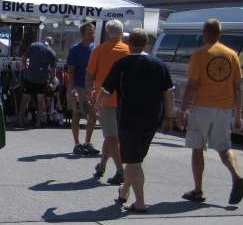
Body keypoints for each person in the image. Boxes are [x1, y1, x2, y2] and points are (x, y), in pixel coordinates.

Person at [98, 28, 174, 213]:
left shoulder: (122, 64)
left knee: (132, 161)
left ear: (129, 43)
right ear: (146, 43)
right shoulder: (159, 64)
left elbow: (106, 90)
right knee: (136, 158)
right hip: (152, 118)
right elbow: (168, 93)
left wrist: (96, 107)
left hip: (129, 117)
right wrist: (168, 117)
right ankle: (124, 192)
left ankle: (140, 202)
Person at [176, 18, 243, 205]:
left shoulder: (199, 55)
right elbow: (238, 88)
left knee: (197, 147)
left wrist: (182, 110)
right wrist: (238, 115)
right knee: (224, 148)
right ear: (220, 33)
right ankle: (236, 176)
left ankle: (198, 190)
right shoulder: (232, 55)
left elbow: (192, 85)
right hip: (224, 109)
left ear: (205, 33)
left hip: (202, 107)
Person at [87, 20, 129, 185]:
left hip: (106, 99)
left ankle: (120, 171)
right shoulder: (128, 50)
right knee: (112, 136)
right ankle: (102, 165)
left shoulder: (99, 50)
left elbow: (90, 75)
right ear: (121, 33)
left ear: (106, 32)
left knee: (111, 137)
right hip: (125, 101)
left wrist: (89, 93)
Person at [66, 23, 99, 155]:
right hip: (78, 86)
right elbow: (71, 71)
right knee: (77, 114)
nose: (92, 35)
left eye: (93, 32)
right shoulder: (75, 49)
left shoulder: (95, 49)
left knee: (93, 115)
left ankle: (87, 143)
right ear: (83, 34)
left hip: (91, 88)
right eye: (89, 32)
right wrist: (72, 88)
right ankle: (77, 144)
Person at [20, 36, 57, 126]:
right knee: (40, 100)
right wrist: (49, 82)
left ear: (44, 40)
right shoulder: (52, 52)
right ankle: (38, 122)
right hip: (42, 78)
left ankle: (20, 120)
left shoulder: (34, 45)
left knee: (25, 99)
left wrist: (25, 68)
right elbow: (53, 72)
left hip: (30, 76)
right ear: (51, 43)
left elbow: (24, 58)